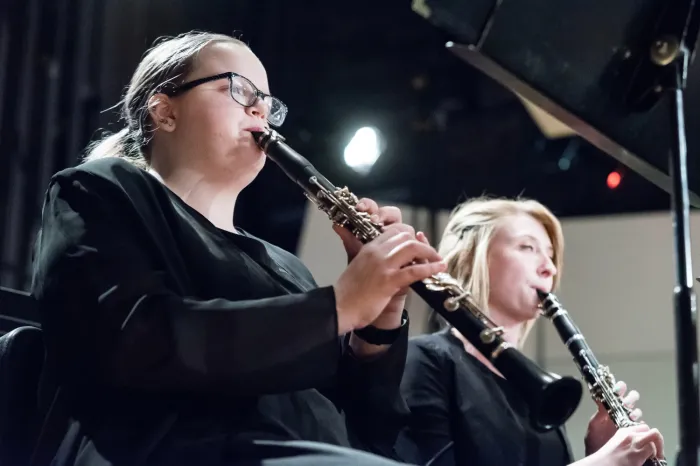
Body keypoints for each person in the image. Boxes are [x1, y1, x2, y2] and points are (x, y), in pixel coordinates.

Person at [30, 31, 447, 466]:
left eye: (267, 101)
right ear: (165, 111)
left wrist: (378, 319)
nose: (260, 109)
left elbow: (369, 432)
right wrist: (339, 306)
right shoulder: (98, 190)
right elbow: (135, 342)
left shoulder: (286, 266)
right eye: (238, 88)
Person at [393, 197, 665, 466]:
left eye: (550, 254)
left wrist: (597, 452)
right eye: (527, 247)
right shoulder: (426, 360)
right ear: (473, 256)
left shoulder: (539, 389)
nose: (550, 268)